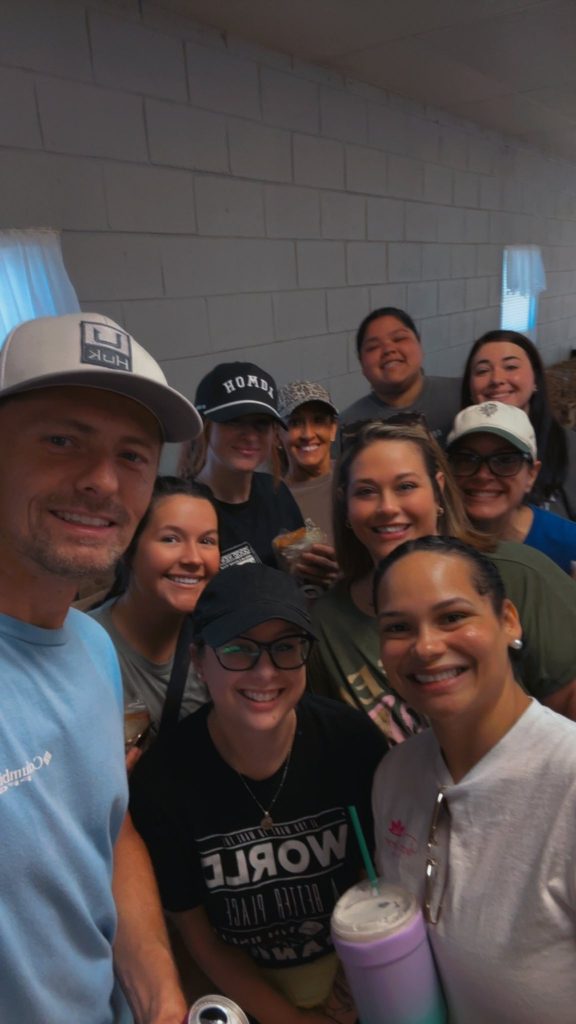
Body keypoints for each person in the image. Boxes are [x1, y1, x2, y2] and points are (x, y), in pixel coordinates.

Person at [0, 311, 196, 1024]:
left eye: (133, 455)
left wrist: (162, 1000)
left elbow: (110, 834)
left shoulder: (92, 648)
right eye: (62, 440)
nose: (103, 482)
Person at [130, 564, 387, 1024]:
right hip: (247, 1000)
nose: (265, 671)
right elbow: (199, 934)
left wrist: (356, 988)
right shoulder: (163, 781)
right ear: (199, 660)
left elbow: (382, 884)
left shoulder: (352, 744)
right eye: (238, 649)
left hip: (365, 983)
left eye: (285, 647)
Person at [372, 536, 576, 1024]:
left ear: (508, 620)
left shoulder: (567, 779)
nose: (426, 646)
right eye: (398, 627)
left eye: (452, 617)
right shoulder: (395, 776)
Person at [308, 420, 576, 737]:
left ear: (438, 490)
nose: (387, 507)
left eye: (406, 486)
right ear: (346, 504)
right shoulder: (327, 622)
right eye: (366, 491)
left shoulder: (519, 575)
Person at [90, 476, 220, 733]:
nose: (194, 559)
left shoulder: (220, 644)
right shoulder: (83, 648)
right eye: (171, 539)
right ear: (128, 548)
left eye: (207, 541)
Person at [178, 361, 304, 569]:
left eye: (261, 423)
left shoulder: (276, 492)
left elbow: (302, 567)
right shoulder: (181, 508)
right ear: (205, 425)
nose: (251, 436)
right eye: (234, 420)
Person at [447, 402, 576, 574]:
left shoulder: (569, 545)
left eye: (505, 460)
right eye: (467, 459)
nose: (483, 475)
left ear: (531, 475)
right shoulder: (432, 539)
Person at [461, 329, 576, 519]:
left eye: (511, 367)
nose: (496, 379)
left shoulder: (569, 446)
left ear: (535, 379)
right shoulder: (454, 449)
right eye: (482, 371)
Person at [340, 307, 460, 446]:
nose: (388, 349)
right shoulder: (345, 428)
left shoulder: (462, 394)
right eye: (373, 347)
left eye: (399, 338)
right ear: (361, 363)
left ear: (419, 345)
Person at [277, 380, 338, 542]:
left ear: (333, 429)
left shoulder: (355, 477)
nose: (308, 434)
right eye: (295, 423)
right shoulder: (272, 501)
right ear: (277, 435)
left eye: (318, 420)